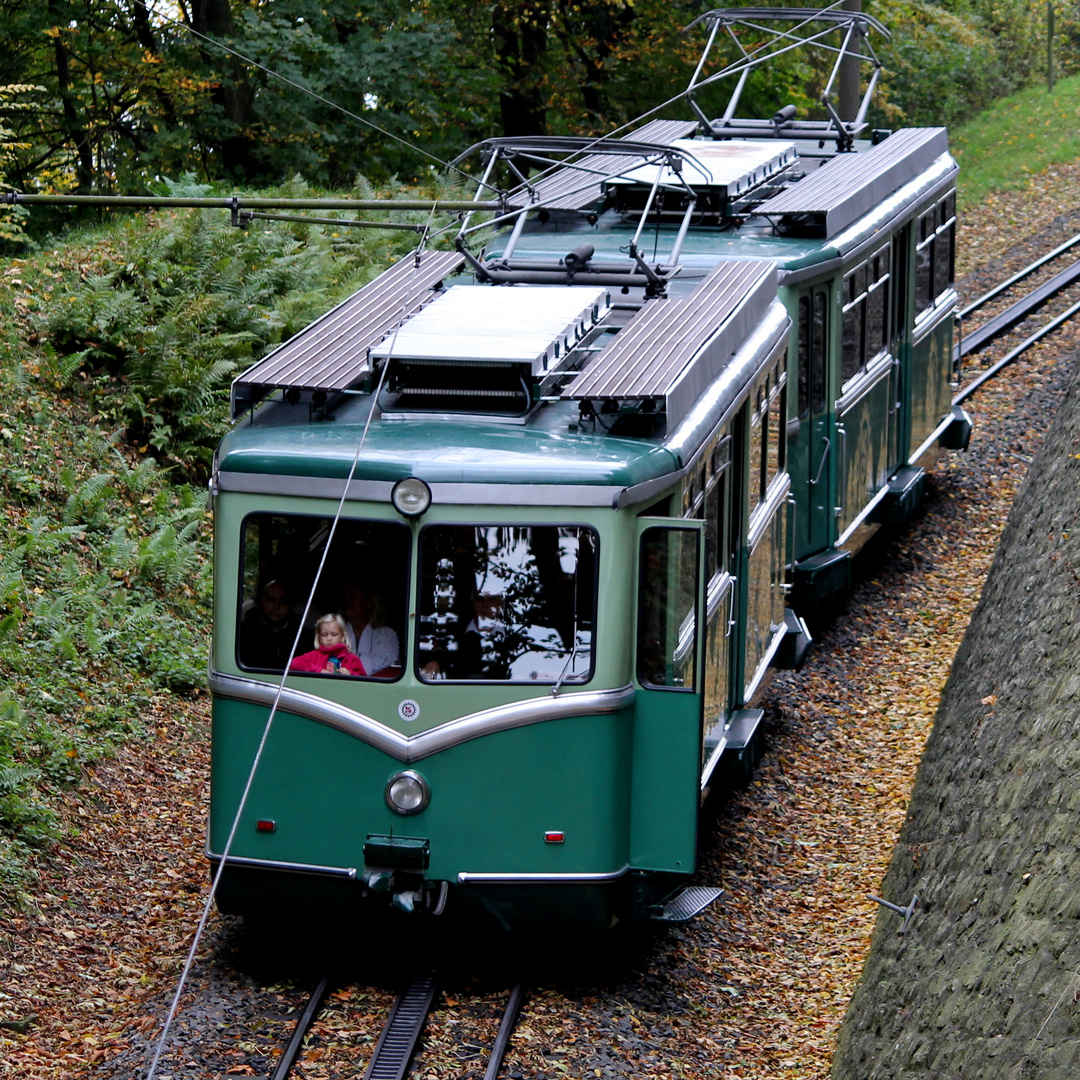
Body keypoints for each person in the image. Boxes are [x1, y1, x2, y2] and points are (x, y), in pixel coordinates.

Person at [239, 579, 303, 670]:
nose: (276, 607)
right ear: (262, 602)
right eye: (271, 600)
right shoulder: (245, 631)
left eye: (283, 601)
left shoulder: (302, 635)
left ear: (290, 605)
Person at [341, 581, 400, 676]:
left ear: (368, 604)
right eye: (345, 598)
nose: (347, 602)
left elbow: (385, 662)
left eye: (353, 597)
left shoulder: (385, 635)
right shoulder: (335, 633)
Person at [289, 614, 367, 676]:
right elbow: (294, 663)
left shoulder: (352, 658)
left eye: (334, 634)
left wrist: (350, 673)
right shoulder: (314, 655)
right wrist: (318, 670)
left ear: (342, 637)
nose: (329, 638)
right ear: (319, 637)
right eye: (324, 635)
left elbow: (364, 679)